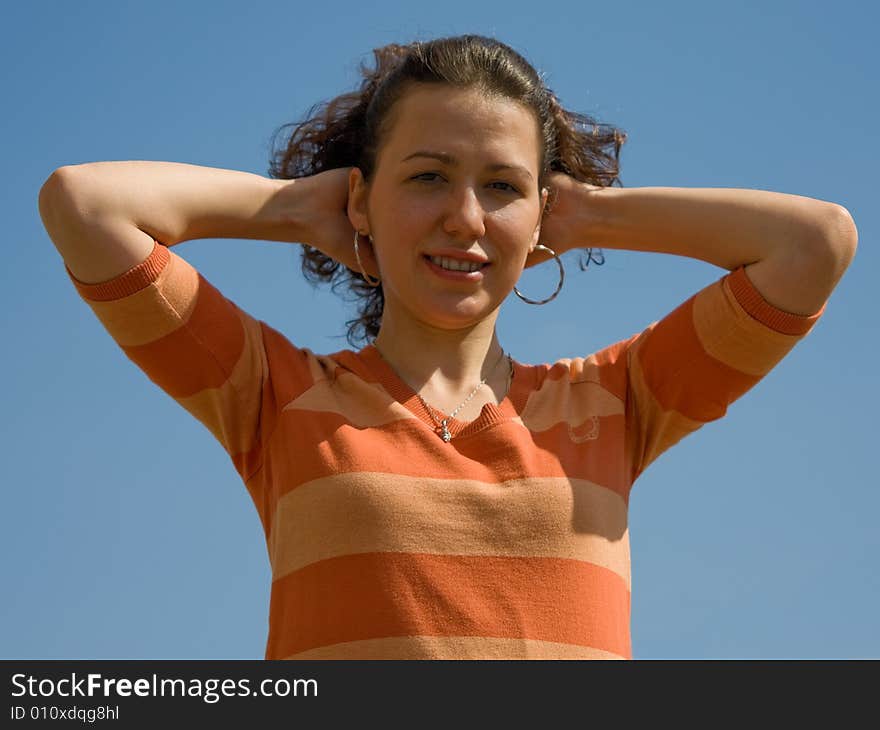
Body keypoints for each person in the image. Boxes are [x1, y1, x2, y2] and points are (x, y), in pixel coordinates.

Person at [38, 34, 857, 660]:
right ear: (360, 197)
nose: (465, 217)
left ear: (542, 210)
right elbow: (85, 205)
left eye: (500, 186)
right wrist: (290, 209)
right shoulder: (271, 395)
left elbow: (815, 243)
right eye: (427, 176)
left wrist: (588, 215)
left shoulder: (619, 400)